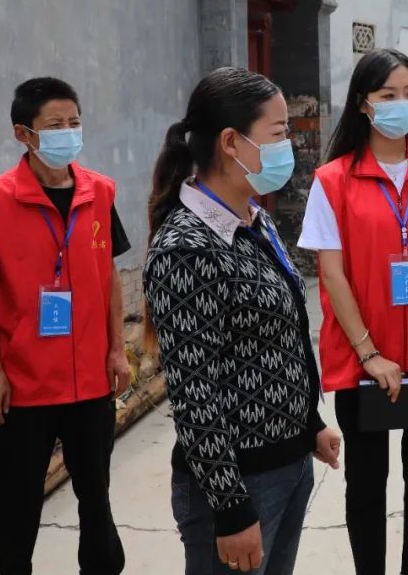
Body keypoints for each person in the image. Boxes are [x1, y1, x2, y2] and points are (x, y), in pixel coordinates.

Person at [142, 67, 342, 575]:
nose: (288, 147)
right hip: (236, 486)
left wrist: (307, 425)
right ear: (231, 142)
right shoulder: (187, 246)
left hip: (285, 464)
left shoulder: (253, 216)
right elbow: (194, 392)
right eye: (278, 134)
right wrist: (231, 510)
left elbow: (274, 339)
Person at [298, 48, 408, 575]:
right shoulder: (333, 181)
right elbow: (332, 274)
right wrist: (369, 354)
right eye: (388, 95)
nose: (402, 104)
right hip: (363, 365)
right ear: (364, 106)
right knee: (367, 487)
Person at [0, 77, 129, 575]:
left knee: (96, 497)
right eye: (54, 125)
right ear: (24, 134)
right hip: (23, 387)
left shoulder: (99, 191)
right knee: (17, 508)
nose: (68, 133)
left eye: (74, 123)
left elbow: (110, 276)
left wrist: (117, 349)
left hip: (90, 382)